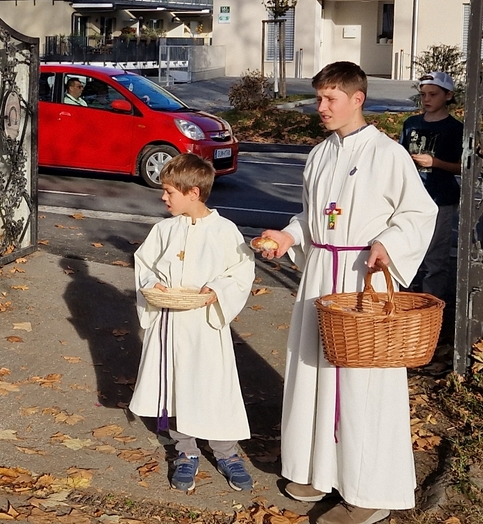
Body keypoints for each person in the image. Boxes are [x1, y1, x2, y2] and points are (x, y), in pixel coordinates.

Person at [258, 61, 437, 524]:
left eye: (330, 98)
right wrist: (288, 236)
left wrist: (389, 243)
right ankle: (318, 470)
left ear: (357, 99)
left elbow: (419, 213)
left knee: (362, 385)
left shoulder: (387, 154)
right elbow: (312, 217)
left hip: (361, 279)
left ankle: (369, 492)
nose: (321, 107)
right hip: (321, 275)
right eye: (319, 98)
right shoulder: (319, 154)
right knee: (313, 373)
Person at [129, 153, 256, 493]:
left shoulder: (225, 231)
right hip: (170, 322)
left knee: (213, 385)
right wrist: (153, 283)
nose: (163, 197)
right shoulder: (164, 230)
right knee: (175, 384)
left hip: (205, 325)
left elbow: (241, 270)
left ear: (193, 193)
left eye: (169, 191)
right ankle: (185, 450)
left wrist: (218, 289)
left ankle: (226, 452)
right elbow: (145, 264)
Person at [399, 71, 463, 337]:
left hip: (440, 199)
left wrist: (434, 162)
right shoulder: (411, 123)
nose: (427, 99)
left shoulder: (455, 129)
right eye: (423, 94)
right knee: (407, 253)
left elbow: (462, 166)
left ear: (448, 96)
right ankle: (404, 308)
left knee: (435, 260)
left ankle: (430, 317)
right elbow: (400, 156)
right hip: (410, 199)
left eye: (433, 94)